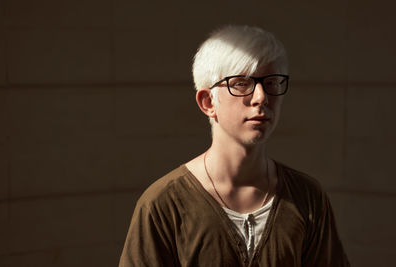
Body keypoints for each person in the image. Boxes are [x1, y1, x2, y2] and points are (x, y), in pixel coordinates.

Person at [119, 25, 350, 267]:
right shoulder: (164, 204)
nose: (261, 97)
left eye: (271, 82)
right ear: (208, 102)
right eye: (241, 83)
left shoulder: (307, 197)